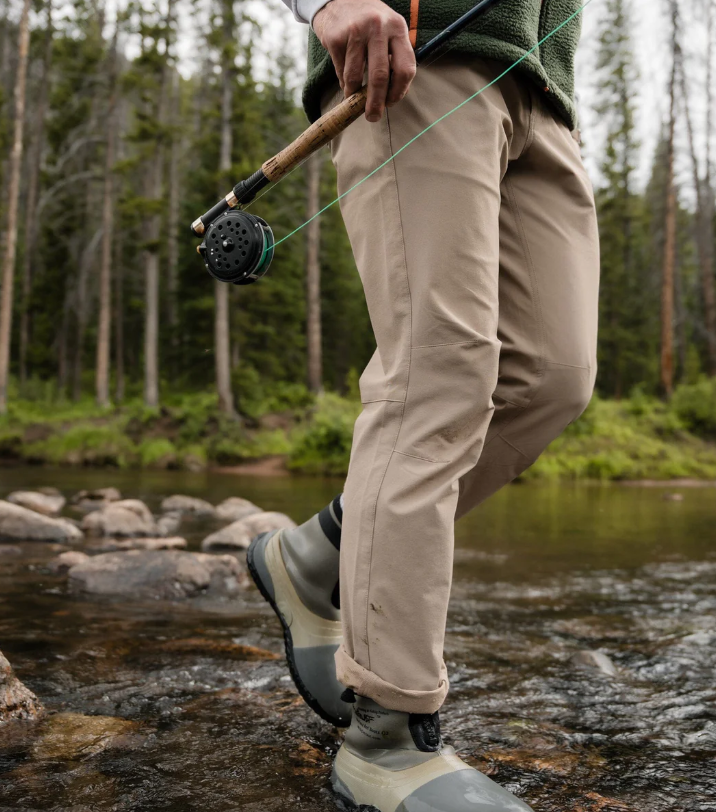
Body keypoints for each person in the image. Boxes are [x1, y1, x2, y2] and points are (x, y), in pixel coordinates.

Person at [247, 0, 599, 808]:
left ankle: (318, 557)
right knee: (437, 376)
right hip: (417, 59)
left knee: (550, 378)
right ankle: (388, 736)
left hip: (542, 96)